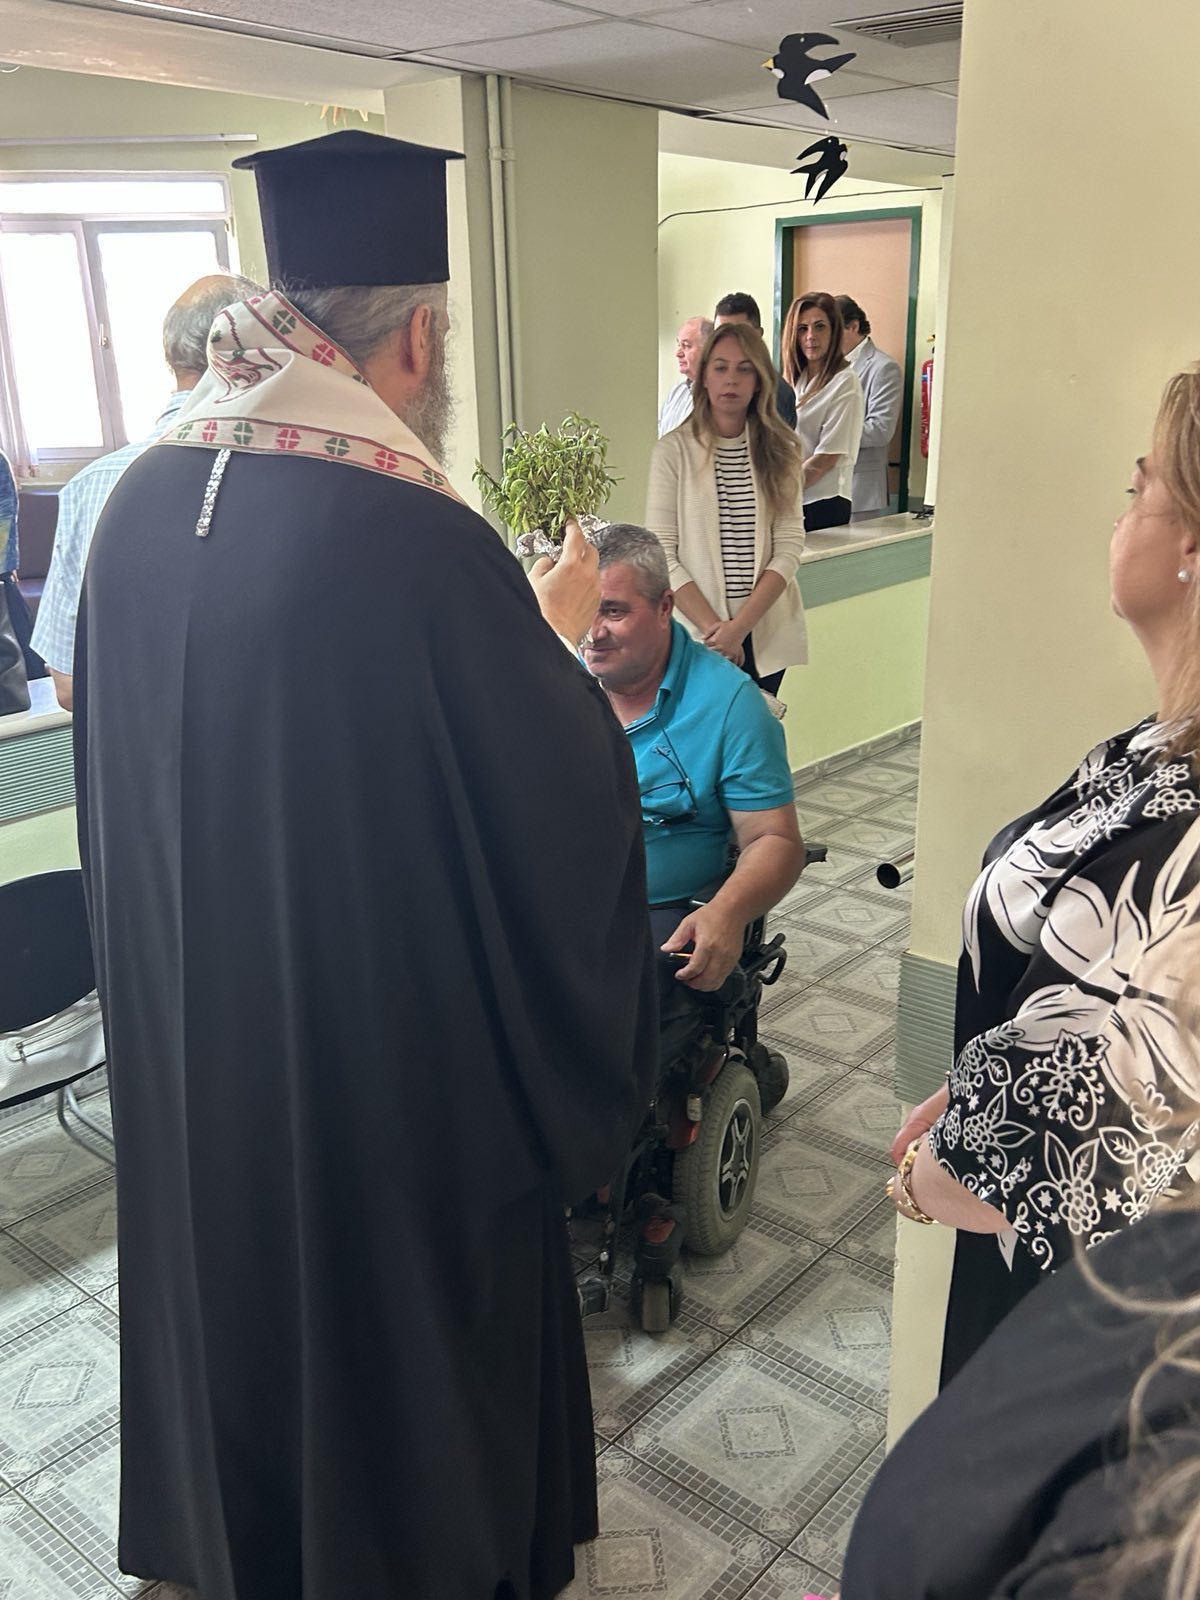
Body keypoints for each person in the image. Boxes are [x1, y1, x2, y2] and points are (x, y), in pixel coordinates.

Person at [75, 128, 657, 1600]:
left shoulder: (137, 502)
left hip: (198, 1065)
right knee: (386, 1341)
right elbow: (554, 811)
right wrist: (554, 639)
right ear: (419, 340)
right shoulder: (415, 536)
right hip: (375, 1087)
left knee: (232, 1298)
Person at [882, 364, 1200, 1390]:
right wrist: (985, 1080)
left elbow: (1094, 1138)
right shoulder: (1154, 751)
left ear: (1191, 546)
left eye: (1141, 489)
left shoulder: (1187, 828)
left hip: (1088, 1329)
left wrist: (926, 1175)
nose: (1121, 515)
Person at [582, 522, 804, 997]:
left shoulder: (729, 703)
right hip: (558, 902)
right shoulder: (556, 684)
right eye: (584, 611)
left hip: (659, 909)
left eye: (614, 611)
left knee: (594, 994)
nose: (593, 633)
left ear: (665, 607)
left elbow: (774, 838)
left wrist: (727, 912)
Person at [30, 272, 261, 710]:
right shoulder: (293, 477)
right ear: (252, 351)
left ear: (171, 358)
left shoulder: (90, 486)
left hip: (128, 750)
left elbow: (68, 684)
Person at [645, 320, 807, 697]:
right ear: (704, 377)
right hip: (696, 635)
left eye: (744, 369)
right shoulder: (672, 452)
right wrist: (717, 631)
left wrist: (739, 629)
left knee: (757, 732)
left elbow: (788, 546)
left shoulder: (783, 451)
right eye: (720, 368)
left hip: (763, 631)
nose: (731, 379)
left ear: (759, 381)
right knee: (702, 732)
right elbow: (661, 551)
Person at [781, 290, 865, 530]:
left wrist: (781, 491)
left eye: (819, 327)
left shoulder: (845, 382)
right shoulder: (797, 380)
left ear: (834, 331)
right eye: (802, 329)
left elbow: (826, 458)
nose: (811, 336)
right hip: (794, 500)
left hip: (824, 503)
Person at [836, 294, 903, 520]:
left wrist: (831, 435)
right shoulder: (822, 367)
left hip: (860, 491)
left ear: (853, 326)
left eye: (831, 329)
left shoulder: (883, 367)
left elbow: (880, 429)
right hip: (822, 487)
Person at [714, 291, 797, 428]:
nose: (728, 342)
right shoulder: (708, 381)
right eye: (720, 334)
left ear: (758, 334)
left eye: (739, 333)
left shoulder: (777, 393)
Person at [657, 314, 713, 436]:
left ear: (708, 350)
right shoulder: (677, 390)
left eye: (686, 346)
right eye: (679, 345)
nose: (678, 353)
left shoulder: (716, 396)